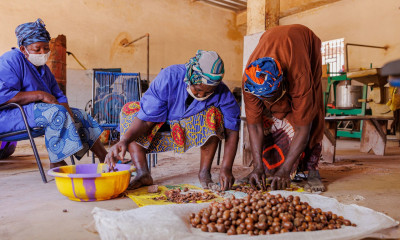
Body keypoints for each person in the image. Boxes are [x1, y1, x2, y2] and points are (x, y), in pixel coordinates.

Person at [105, 50, 241, 191]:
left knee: (214, 114)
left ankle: (204, 173)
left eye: (208, 93)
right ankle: (142, 172)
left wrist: (226, 168)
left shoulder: (223, 93)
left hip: (189, 131)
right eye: (199, 89)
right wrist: (124, 141)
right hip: (158, 125)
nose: (202, 95)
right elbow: (146, 120)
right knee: (130, 111)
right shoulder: (169, 77)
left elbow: (232, 131)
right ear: (191, 77)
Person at [0, 19, 107, 168]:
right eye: (37, 49)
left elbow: (59, 96)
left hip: (36, 113)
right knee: (56, 112)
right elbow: (3, 96)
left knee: (79, 115)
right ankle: (56, 163)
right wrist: (40, 95)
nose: (43, 53)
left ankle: (106, 158)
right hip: (9, 116)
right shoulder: (10, 60)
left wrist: (69, 115)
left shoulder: (43, 69)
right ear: (23, 49)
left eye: (46, 48)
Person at [242, 24, 325, 192]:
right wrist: (256, 166)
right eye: (262, 98)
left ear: (282, 85)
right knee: (265, 119)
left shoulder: (298, 76)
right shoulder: (250, 81)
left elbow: (303, 127)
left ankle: (311, 169)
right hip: (271, 38)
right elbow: (254, 125)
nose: (267, 103)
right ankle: (265, 169)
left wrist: (285, 171)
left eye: (270, 98)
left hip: (303, 42)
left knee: (311, 109)